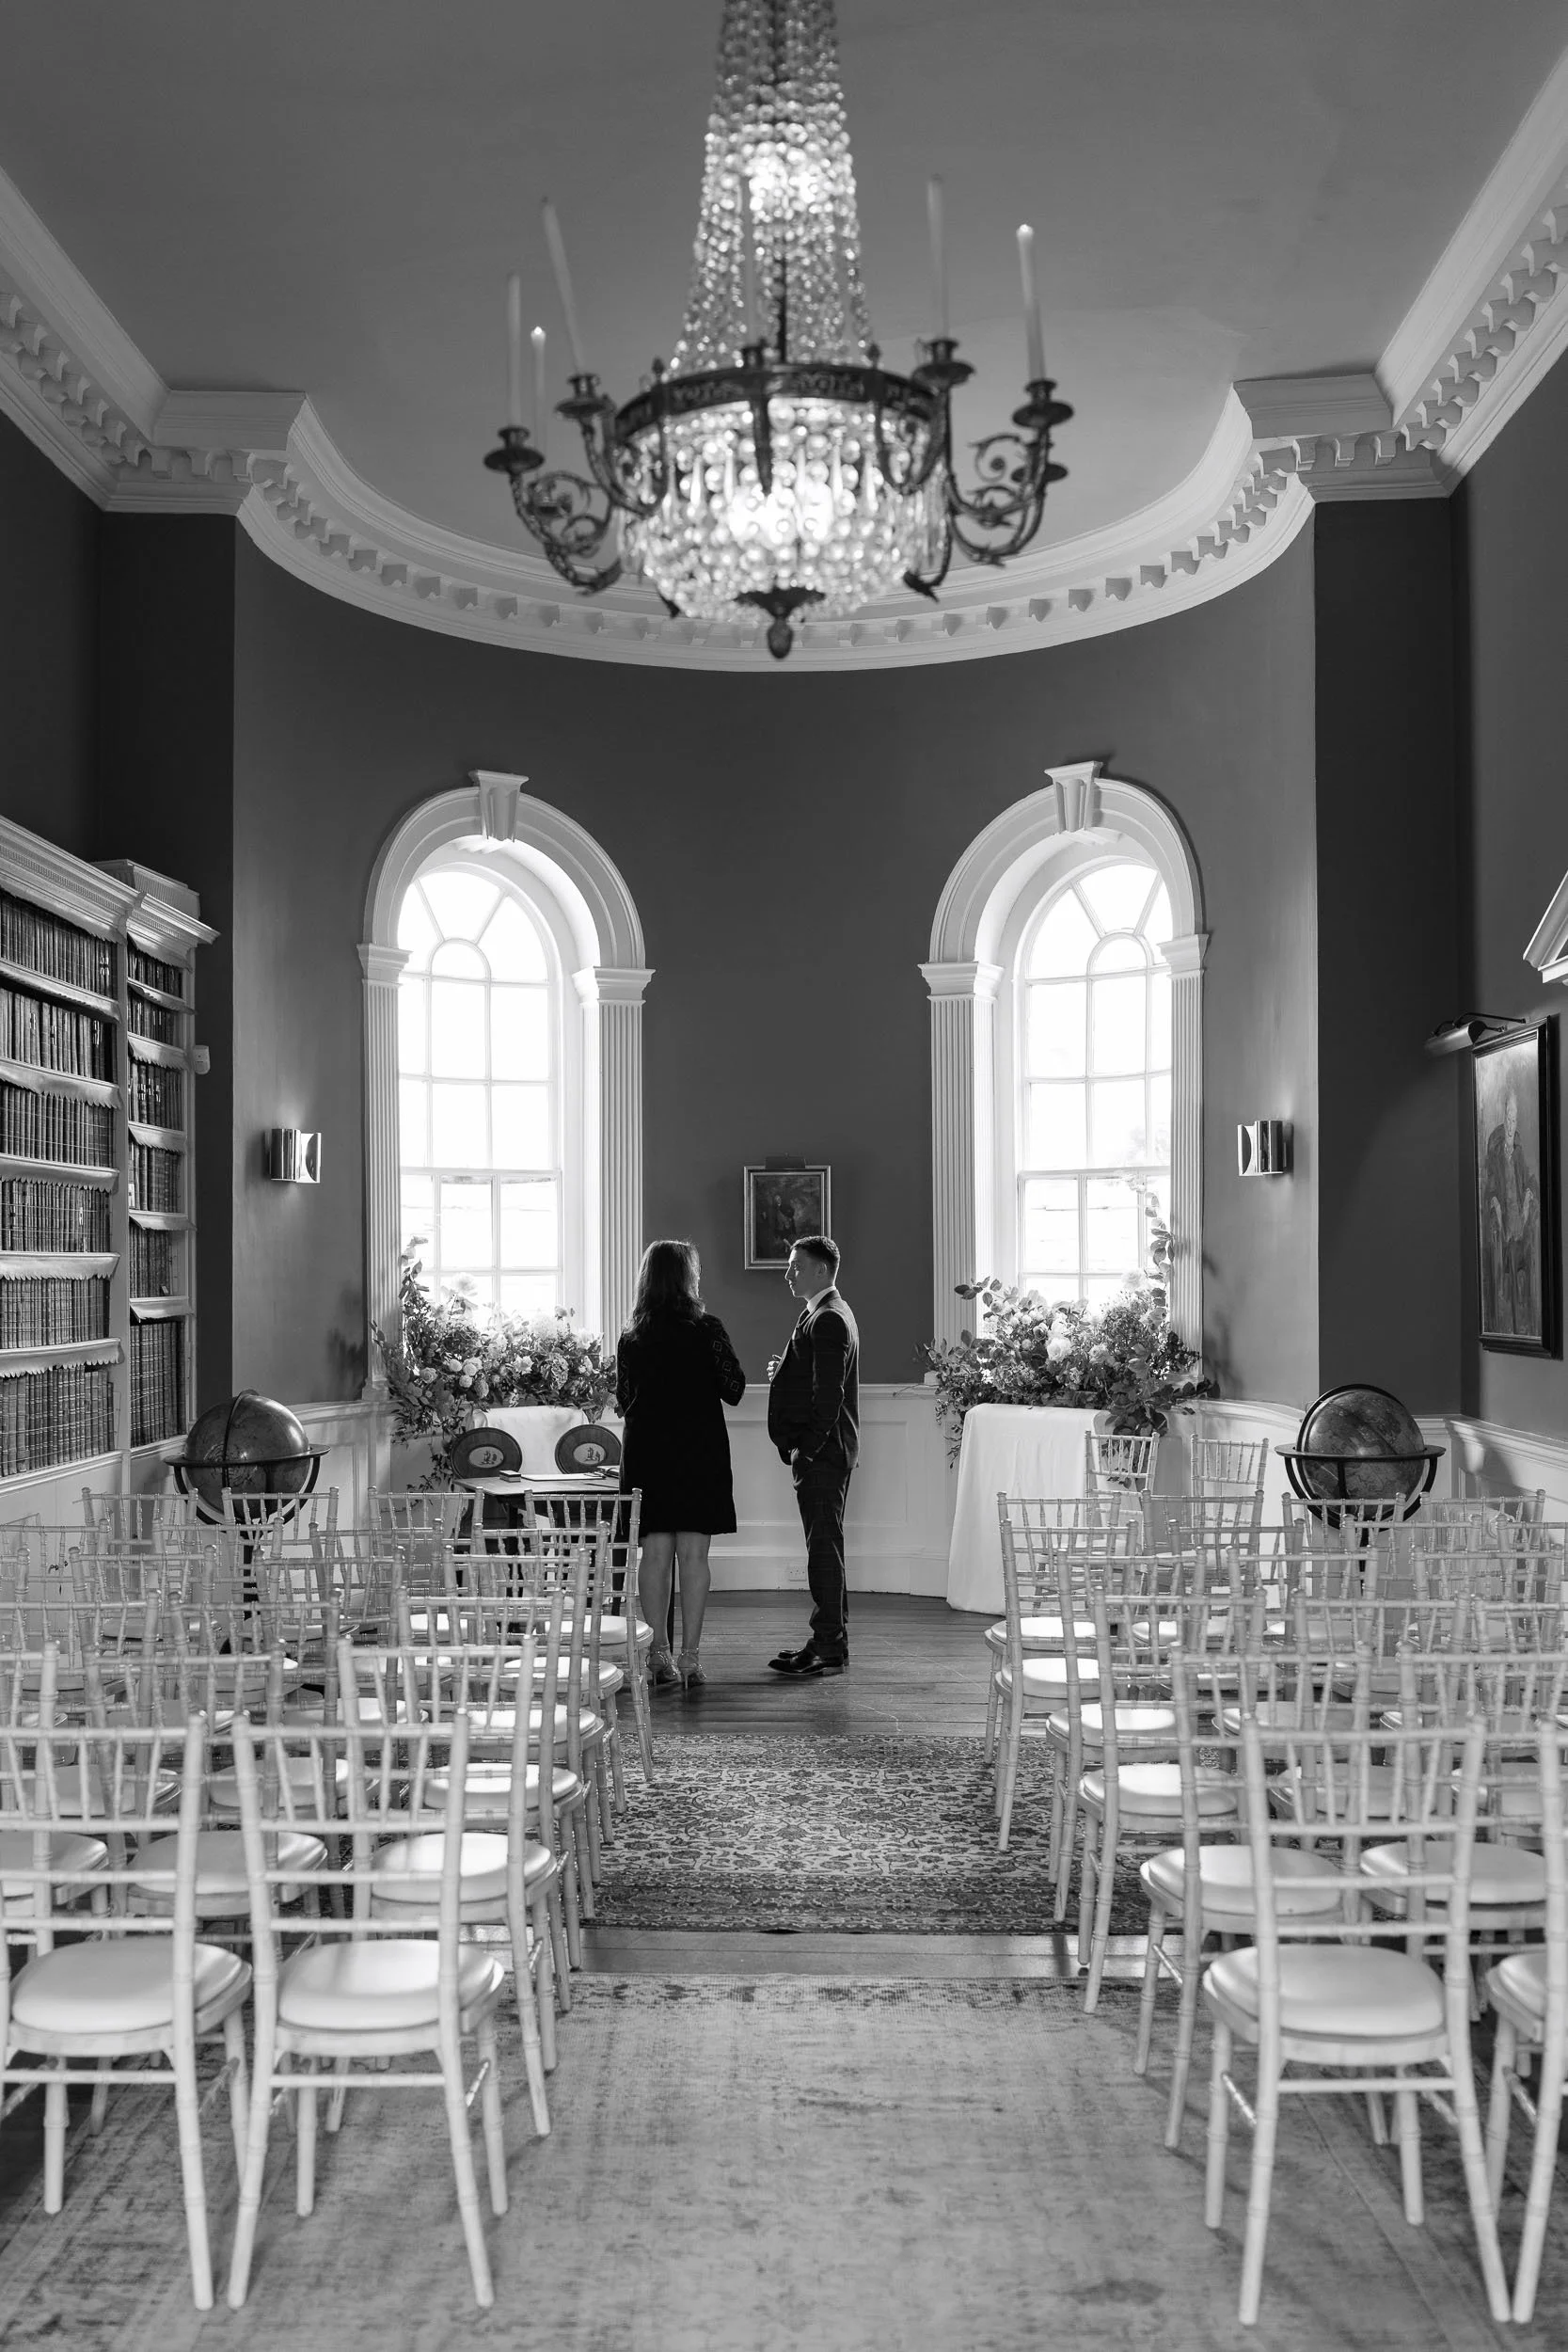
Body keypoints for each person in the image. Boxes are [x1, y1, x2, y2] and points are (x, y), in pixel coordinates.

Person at [614, 1238, 746, 1692]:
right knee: (694, 1555)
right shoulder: (708, 1329)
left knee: (653, 1555)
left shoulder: (631, 1338)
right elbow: (735, 1388)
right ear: (687, 1278)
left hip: (649, 1449)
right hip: (698, 1448)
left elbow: (624, 1400)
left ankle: (657, 1655)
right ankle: (690, 1656)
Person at [765, 1234, 859, 1677]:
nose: (788, 1274)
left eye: (796, 1267)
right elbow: (814, 1377)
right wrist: (784, 1369)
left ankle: (827, 1645)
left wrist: (807, 1450)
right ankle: (830, 1641)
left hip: (824, 1453)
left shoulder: (828, 1319)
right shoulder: (822, 1314)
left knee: (823, 1550)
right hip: (826, 1451)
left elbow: (829, 1397)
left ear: (821, 1270)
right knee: (826, 1546)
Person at [1482, 1089, 1541, 1337]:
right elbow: (1489, 1186)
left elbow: (1529, 1178)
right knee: (1506, 1279)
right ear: (1503, 1116)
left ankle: (1524, 1322)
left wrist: (1529, 1197)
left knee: (1521, 1273)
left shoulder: (1517, 1149)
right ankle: (1506, 1323)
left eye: (1514, 1118)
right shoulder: (1495, 1149)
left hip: (1519, 1221)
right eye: (1508, 1116)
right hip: (1504, 1224)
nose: (1510, 1123)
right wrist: (1495, 1203)